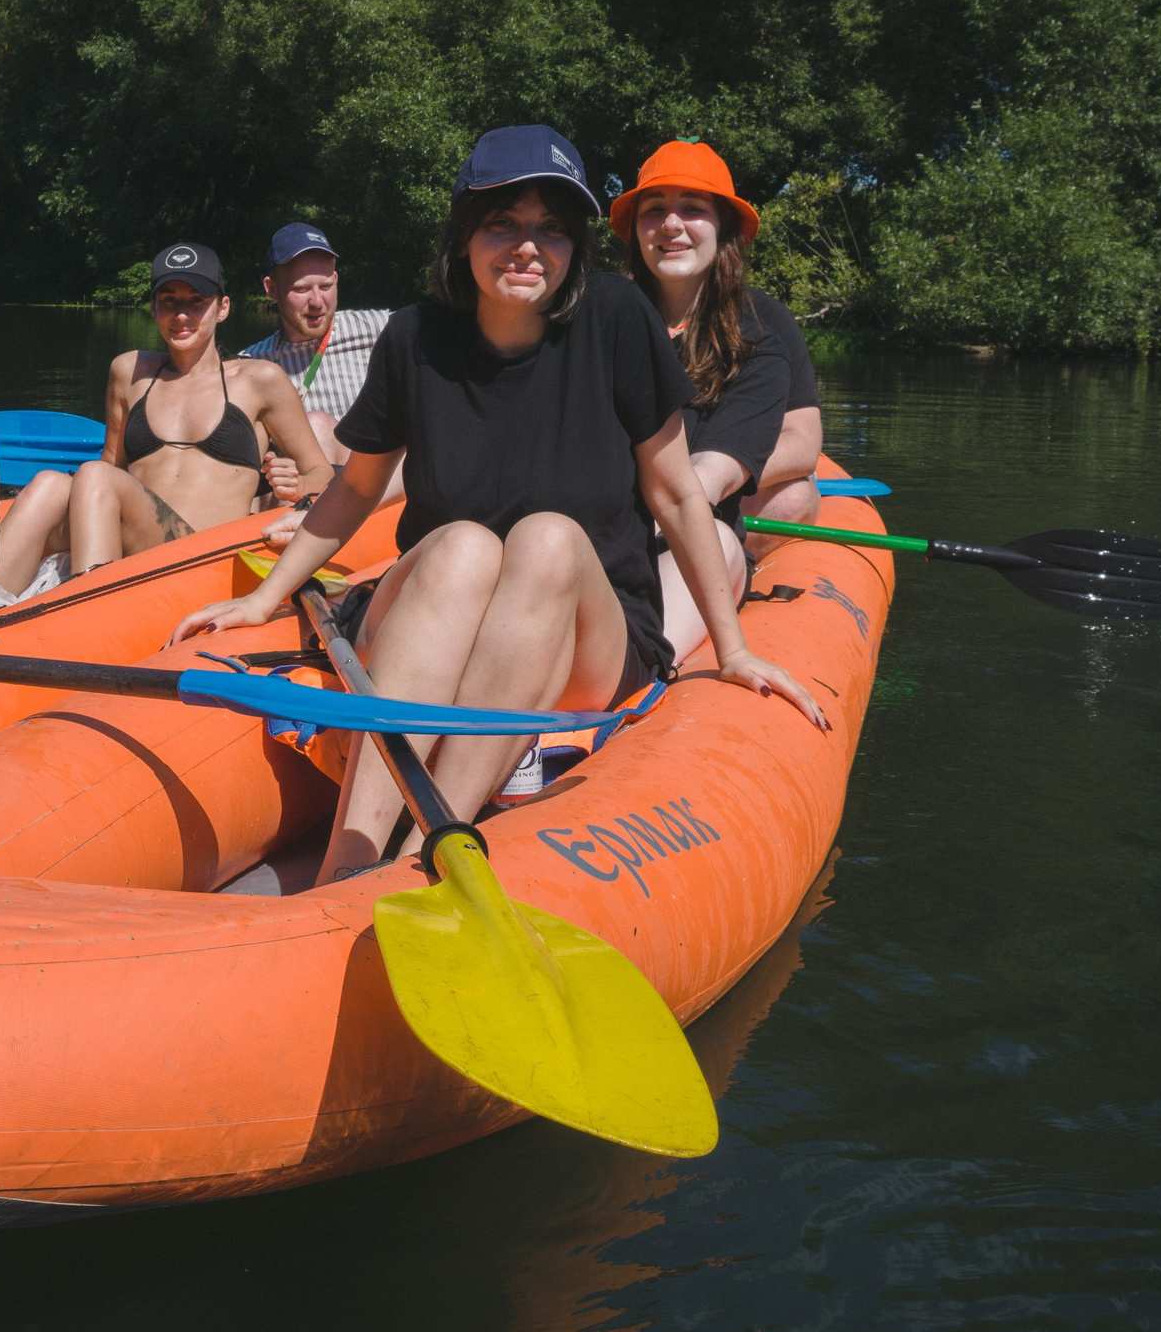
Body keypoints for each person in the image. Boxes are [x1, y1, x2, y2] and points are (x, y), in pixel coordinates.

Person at [173, 127, 827, 885]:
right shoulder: (414, 337)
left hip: (587, 630)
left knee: (547, 538)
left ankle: (424, 854)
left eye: (552, 228)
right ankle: (345, 864)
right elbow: (355, 487)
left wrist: (733, 649)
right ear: (463, 235)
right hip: (444, 603)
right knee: (463, 545)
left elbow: (679, 492)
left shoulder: (617, 317)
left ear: (576, 244)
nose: (527, 247)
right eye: (502, 223)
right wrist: (264, 598)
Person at [0, 242, 333, 603]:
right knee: (48, 484)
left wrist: (296, 486)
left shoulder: (260, 380)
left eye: (196, 301)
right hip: (135, 541)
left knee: (94, 475)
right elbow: (112, 466)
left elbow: (323, 474)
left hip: (203, 555)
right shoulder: (129, 372)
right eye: (169, 301)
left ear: (222, 308)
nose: (181, 314)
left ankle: (89, 611)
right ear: (154, 309)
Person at [609, 141, 825, 661]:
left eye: (693, 208)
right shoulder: (599, 314)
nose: (671, 224)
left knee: (791, 499)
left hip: (687, 518)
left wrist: (680, 477)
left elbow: (800, 444)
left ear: (724, 227)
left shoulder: (761, 335)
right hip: (604, 521)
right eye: (654, 209)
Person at [242, 222, 393, 483]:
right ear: (272, 289)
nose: (317, 302)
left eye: (325, 286)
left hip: (377, 480)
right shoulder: (250, 363)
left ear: (336, 280)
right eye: (301, 289)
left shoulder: (380, 328)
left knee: (317, 426)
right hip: (300, 490)